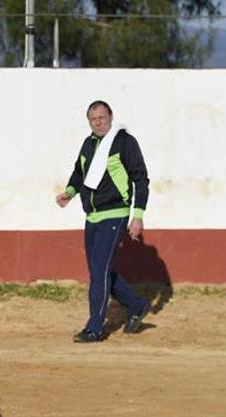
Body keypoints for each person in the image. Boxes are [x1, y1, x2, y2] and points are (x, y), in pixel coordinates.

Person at [56, 100, 152, 343]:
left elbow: (140, 178)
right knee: (101, 270)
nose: (98, 122)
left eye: (102, 117)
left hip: (115, 213)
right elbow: (79, 173)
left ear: (110, 117)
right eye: (93, 119)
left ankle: (96, 327)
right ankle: (137, 305)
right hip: (92, 216)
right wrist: (70, 191)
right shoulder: (88, 144)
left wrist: (137, 214)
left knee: (99, 271)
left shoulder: (123, 142)